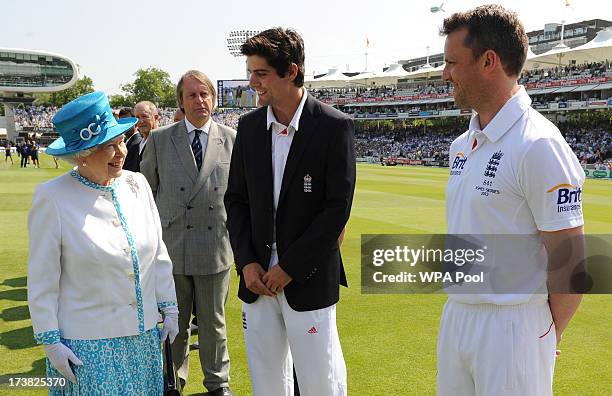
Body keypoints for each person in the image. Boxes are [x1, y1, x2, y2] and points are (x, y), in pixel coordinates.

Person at [438, 5, 584, 395]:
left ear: (489, 61)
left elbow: (571, 261)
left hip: (513, 324)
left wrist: (540, 333)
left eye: (452, 62)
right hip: (457, 316)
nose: (444, 73)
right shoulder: (461, 145)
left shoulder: (538, 144)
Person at [224, 27, 356, 396]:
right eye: (251, 72)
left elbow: (336, 211)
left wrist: (289, 268)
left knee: (320, 383)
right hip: (257, 279)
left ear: (291, 71)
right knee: (267, 383)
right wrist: (247, 263)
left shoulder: (334, 126)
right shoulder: (249, 127)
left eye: (261, 73)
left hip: (308, 279)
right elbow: (235, 200)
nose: (252, 83)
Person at [27, 91, 179, 395]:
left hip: (144, 339)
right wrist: (51, 341)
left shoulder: (137, 184)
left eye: (121, 141)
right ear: (83, 153)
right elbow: (42, 278)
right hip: (87, 348)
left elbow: (157, 251)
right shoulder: (52, 197)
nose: (120, 151)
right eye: (108, 146)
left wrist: (169, 307)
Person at [141, 70, 235, 396]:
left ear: (214, 98)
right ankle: (172, 381)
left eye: (205, 94)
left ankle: (218, 384)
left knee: (214, 326)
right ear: (180, 101)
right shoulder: (160, 139)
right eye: (192, 95)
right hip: (172, 249)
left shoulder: (232, 139)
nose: (200, 100)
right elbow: (145, 196)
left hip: (216, 249)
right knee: (173, 326)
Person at [127, 101, 158, 172]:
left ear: (155, 117)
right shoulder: (135, 147)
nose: (141, 121)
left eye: (144, 116)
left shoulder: (162, 145)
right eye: (137, 117)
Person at [120, 107, 143, 172]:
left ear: (135, 123)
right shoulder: (124, 141)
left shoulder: (137, 144)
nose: (125, 125)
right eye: (122, 122)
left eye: (128, 122)